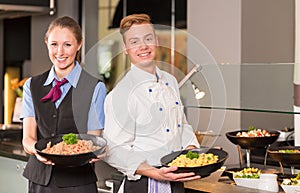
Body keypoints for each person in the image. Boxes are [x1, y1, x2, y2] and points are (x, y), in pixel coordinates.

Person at [103, 13, 200, 193]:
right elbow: (113, 149)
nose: (143, 46)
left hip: (176, 179)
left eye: (148, 38)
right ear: (125, 48)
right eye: (134, 42)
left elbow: (182, 125)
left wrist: (191, 151)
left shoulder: (170, 81)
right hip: (144, 183)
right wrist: (155, 173)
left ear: (156, 40)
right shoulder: (121, 94)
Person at [21, 16, 106, 193]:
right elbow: (28, 139)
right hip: (39, 181)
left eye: (67, 45)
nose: (60, 52)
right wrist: (37, 151)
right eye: (54, 44)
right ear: (46, 43)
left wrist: (94, 151)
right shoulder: (32, 85)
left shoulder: (95, 88)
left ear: (79, 45)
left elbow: (92, 139)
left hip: (78, 183)